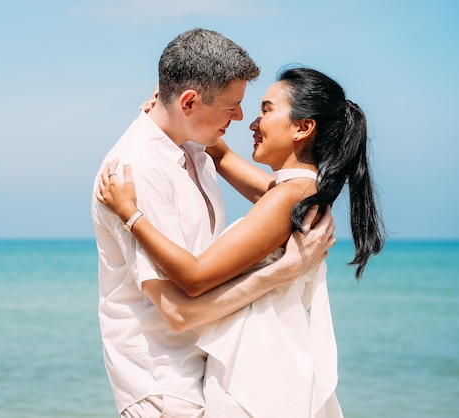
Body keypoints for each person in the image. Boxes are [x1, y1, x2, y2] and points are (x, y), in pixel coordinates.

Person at [97, 67, 385, 417]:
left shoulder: (289, 197)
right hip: (261, 362)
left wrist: (131, 216)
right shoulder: (293, 191)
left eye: (266, 110)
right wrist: (174, 109)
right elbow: (221, 157)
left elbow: (195, 276)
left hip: (255, 374)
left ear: (302, 127)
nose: (251, 122)